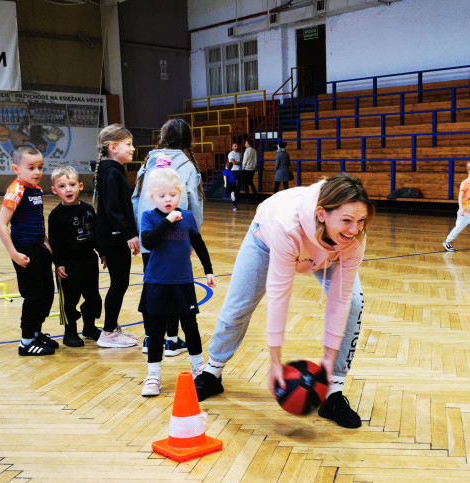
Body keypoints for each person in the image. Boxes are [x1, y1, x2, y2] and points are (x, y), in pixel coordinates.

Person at [199, 174, 375, 429]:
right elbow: (279, 295)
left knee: (354, 304)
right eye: (347, 220)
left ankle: (333, 393)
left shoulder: (353, 237)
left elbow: (341, 300)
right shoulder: (287, 225)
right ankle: (212, 372)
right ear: (322, 214)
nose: (354, 229)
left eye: (360, 220)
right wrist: (274, 361)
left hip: (328, 252)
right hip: (268, 240)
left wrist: (327, 360)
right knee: (239, 306)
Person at [137, 168, 217, 397]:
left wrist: (209, 270)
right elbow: (149, 243)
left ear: (179, 195)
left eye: (172, 194)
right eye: (162, 195)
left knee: (190, 326)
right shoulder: (149, 217)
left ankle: (197, 367)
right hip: (157, 283)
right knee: (156, 330)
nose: (168, 199)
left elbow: (199, 244)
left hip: (183, 282)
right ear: (153, 197)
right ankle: (153, 375)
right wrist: (167, 222)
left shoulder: (188, 217)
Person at [131, 118, 205, 357]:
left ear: (161, 137)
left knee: (152, 286)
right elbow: (196, 203)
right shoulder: (188, 165)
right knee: (173, 285)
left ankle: (150, 337)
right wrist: (192, 236)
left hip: (149, 233)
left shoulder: (147, 162)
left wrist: (142, 231)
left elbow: (135, 198)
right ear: (188, 140)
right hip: (176, 235)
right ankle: (171, 340)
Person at [0, 145, 58, 356]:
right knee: (33, 295)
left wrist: (46, 242)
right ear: (16, 168)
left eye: (40, 167)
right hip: (24, 250)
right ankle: (25, 342)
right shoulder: (16, 190)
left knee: (47, 294)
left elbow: (37, 221)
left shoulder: (36, 190)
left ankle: (36, 333)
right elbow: (1, 224)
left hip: (39, 247)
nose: (37, 172)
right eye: (31, 167)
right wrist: (14, 253)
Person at [94, 123, 139, 348]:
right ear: (113, 147)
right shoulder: (111, 173)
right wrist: (129, 233)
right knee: (119, 284)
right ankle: (108, 331)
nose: (133, 149)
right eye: (128, 144)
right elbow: (112, 209)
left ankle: (112, 326)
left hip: (111, 238)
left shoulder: (113, 170)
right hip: (114, 237)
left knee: (119, 283)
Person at [48, 165, 102, 347]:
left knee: (93, 296)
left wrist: (102, 253)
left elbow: (95, 234)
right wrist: (59, 264)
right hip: (68, 265)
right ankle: (69, 331)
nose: (68, 189)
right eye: (62, 186)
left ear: (80, 186)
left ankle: (89, 327)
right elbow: (54, 243)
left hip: (89, 261)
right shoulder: (56, 215)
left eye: (71, 184)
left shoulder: (88, 209)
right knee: (70, 299)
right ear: (55, 190)